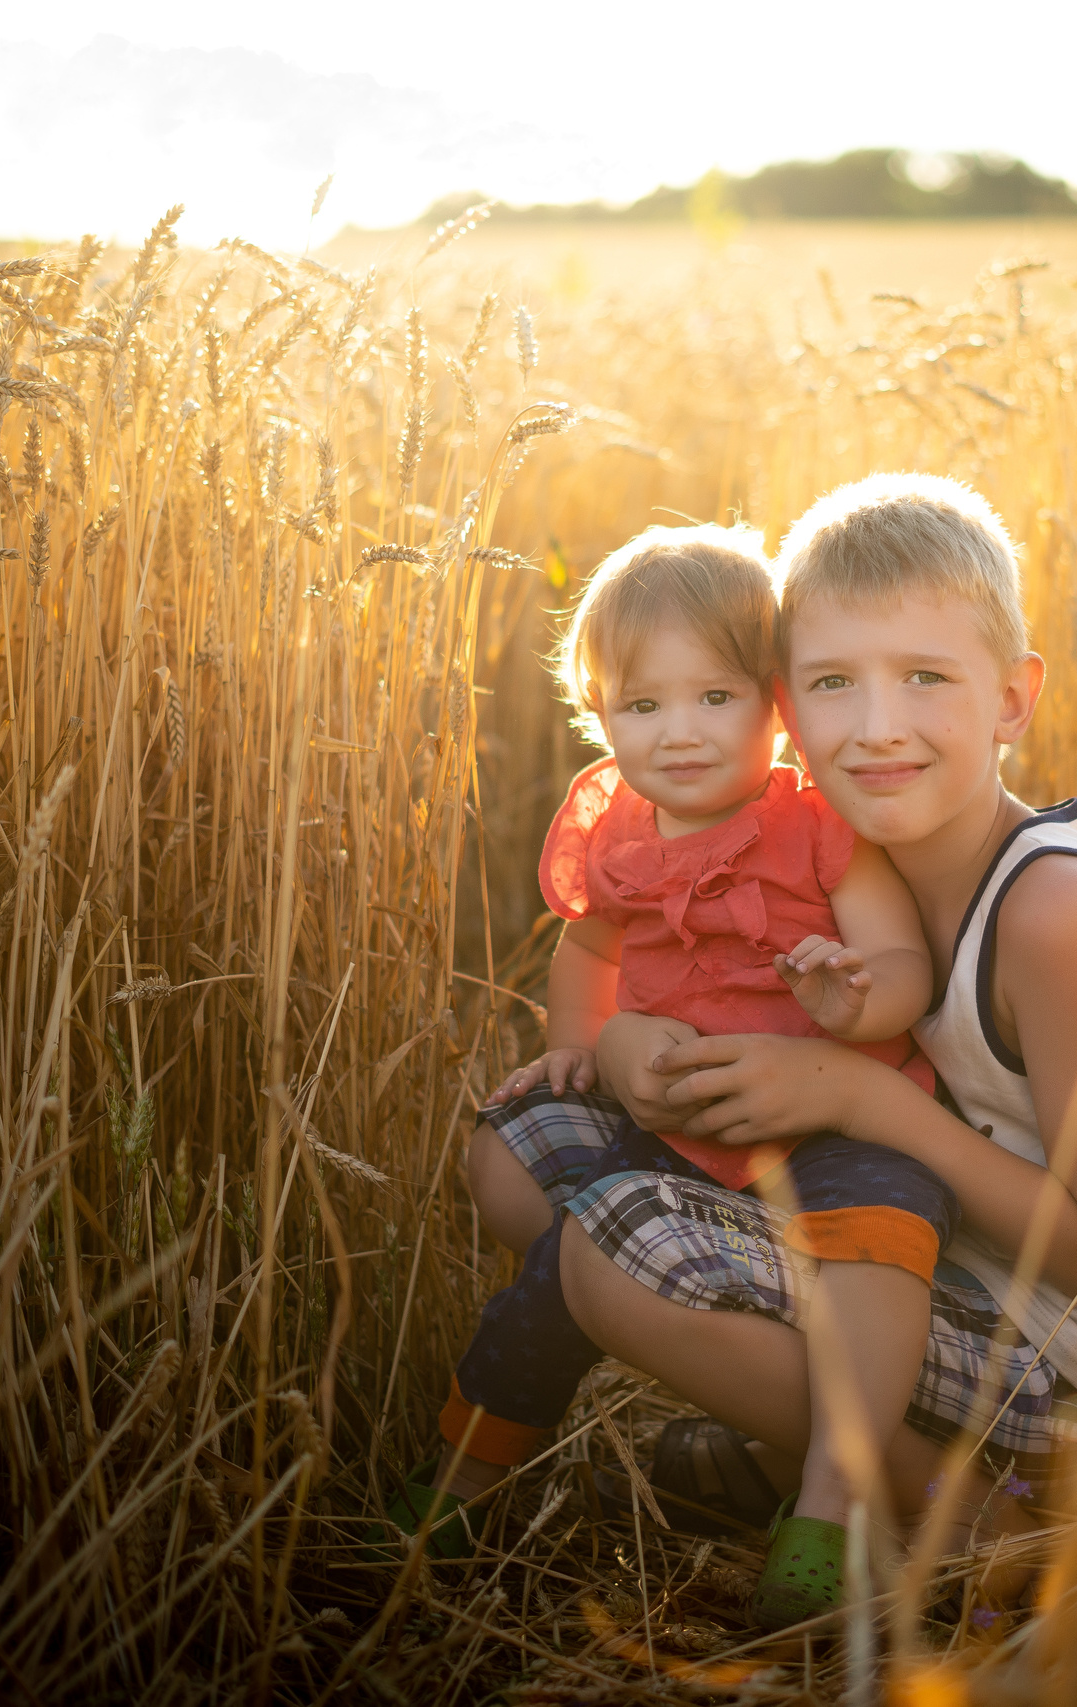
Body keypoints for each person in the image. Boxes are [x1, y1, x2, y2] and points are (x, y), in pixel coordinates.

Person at [566, 473, 1077, 1620]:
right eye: (831, 684)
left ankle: (981, 1517)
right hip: (925, 1265)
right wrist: (625, 1048)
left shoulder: (1051, 918)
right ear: (782, 708)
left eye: (926, 678)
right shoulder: (846, 870)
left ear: (1013, 699)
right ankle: (823, 1450)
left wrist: (853, 1099)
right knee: (541, 1157)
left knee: (608, 1252)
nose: (876, 727)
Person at [396, 524, 953, 1629]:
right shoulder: (619, 831)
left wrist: (855, 999)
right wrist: (579, 1039)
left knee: (885, 1232)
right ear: (597, 715)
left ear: (775, 701)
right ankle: (462, 1485)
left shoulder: (818, 827)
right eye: (640, 708)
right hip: (686, 1118)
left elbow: (900, 965)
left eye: (714, 698)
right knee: (556, 1252)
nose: (678, 734)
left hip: (835, 1119)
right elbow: (592, 949)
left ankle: (831, 1507)